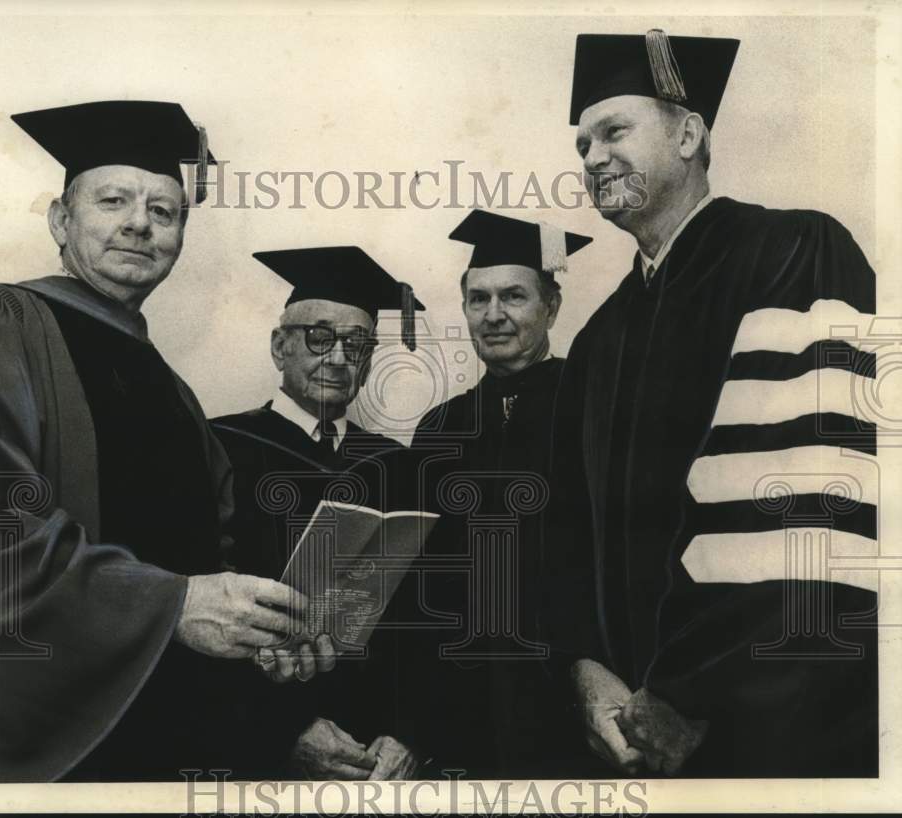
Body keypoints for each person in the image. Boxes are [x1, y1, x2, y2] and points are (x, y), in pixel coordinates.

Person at [0, 101, 333, 784]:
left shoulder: (176, 393)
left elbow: (209, 559)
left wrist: (261, 639)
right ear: (61, 219)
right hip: (43, 740)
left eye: (165, 211)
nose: (140, 222)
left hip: (168, 738)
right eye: (113, 200)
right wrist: (173, 605)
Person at [550, 30, 878, 777]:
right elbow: (568, 540)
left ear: (689, 133)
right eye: (581, 146)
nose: (593, 158)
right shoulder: (599, 339)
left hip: (776, 726)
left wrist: (685, 697)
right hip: (627, 742)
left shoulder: (797, 252)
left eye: (614, 132)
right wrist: (585, 673)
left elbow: (816, 504)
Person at [211, 246, 424, 780]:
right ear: (280, 346)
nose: (338, 357)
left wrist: (409, 732)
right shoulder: (217, 445)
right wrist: (282, 733)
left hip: (378, 747)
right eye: (319, 337)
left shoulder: (395, 465)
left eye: (357, 343)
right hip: (258, 737)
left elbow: (427, 621)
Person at [405, 210, 593, 777]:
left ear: (551, 307)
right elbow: (420, 579)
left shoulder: (595, 408)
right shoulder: (438, 428)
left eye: (513, 296)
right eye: (478, 299)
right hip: (463, 696)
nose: (494, 315)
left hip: (570, 685)